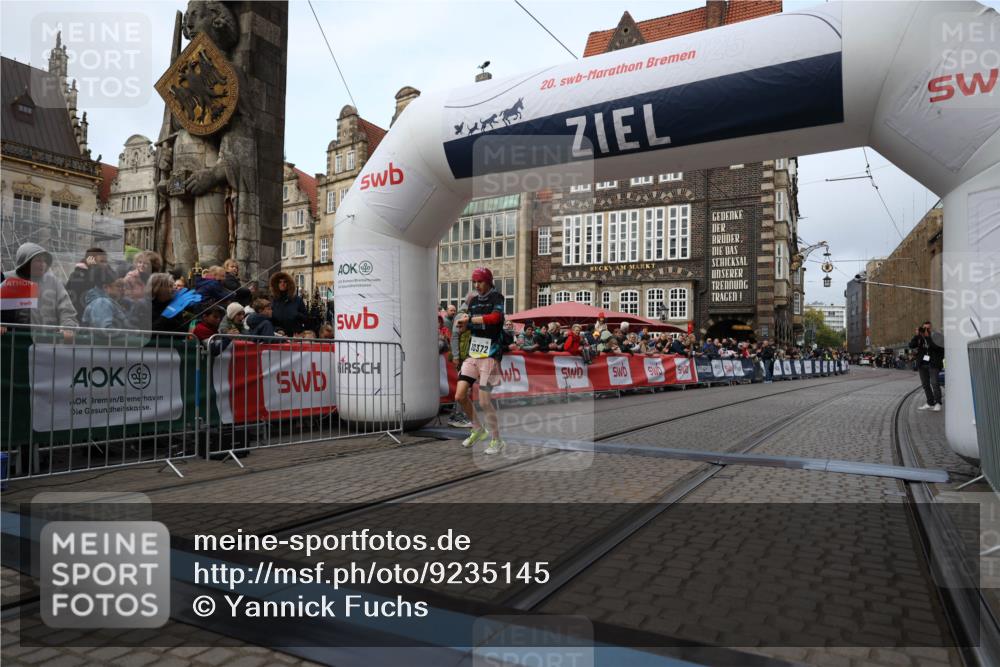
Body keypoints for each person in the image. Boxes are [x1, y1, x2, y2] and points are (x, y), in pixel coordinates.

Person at [455, 267, 507, 455]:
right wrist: (463, 326)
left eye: (480, 282)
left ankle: (497, 440)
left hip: (490, 356)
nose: (477, 285)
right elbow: (468, 324)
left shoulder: (497, 297)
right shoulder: (473, 300)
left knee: (485, 402)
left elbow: (496, 318)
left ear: (489, 281)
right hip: (473, 354)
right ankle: (477, 428)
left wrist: (472, 320)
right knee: (460, 395)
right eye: (474, 282)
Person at [2, 243, 78, 341]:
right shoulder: (7, 279)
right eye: (38, 260)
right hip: (13, 345)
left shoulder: (53, 282)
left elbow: (66, 309)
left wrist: (68, 327)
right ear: (26, 261)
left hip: (46, 344)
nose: (42, 264)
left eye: (44, 261)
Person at [910, 321, 944, 411]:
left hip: (933, 364)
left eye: (928, 328)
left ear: (931, 328)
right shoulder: (919, 337)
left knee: (934, 383)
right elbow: (911, 345)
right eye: (924, 328)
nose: (926, 330)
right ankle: (930, 402)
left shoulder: (937, 336)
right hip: (923, 364)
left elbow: (937, 347)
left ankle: (938, 403)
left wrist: (928, 337)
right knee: (925, 384)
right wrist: (917, 336)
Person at [80, 266, 128, 330]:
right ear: (105, 287)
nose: (121, 289)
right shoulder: (101, 303)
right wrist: (127, 334)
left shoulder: (102, 301)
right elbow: (104, 330)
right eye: (117, 286)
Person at [65, 247, 108, 316]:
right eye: (102, 261)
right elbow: (79, 302)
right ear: (90, 260)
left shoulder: (100, 275)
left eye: (106, 262)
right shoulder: (78, 276)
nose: (105, 265)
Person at [269, 271, 307, 335]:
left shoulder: (297, 300)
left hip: (295, 336)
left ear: (289, 284)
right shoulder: (274, 301)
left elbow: (306, 318)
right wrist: (277, 329)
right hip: (279, 336)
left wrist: (296, 314)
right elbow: (270, 320)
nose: (282, 284)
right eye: (280, 282)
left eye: (285, 282)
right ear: (276, 284)